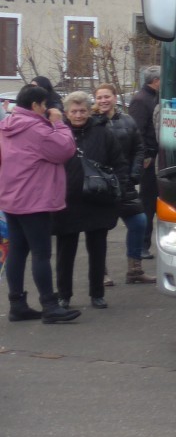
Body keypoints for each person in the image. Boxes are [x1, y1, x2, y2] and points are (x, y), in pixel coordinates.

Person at [0, 83, 80, 323]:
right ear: (35, 105)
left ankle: (17, 304)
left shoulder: (7, 126)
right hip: (34, 200)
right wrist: (59, 123)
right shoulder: (36, 129)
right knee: (41, 253)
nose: (47, 109)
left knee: (17, 251)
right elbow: (65, 150)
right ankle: (50, 306)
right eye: (45, 105)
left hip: (12, 198)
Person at [52, 92, 122, 309]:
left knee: (98, 250)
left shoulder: (103, 132)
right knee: (65, 252)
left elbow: (118, 162)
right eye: (74, 111)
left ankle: (97, 293)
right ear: (66, 113)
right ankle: (64, 295)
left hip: (98, 199)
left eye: (82, 110)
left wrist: (118, 189)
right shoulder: (57, 133)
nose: (79, 115)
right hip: (67, 200)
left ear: (89, 111)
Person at [93, 84, 153, 286]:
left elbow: (138, 148)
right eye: (99, 97)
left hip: (124, 183)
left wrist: (135, 173)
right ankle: (100, 273)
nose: (103, 100)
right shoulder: (91, 123)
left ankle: (135, 271)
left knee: (139, 222)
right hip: (99, 186)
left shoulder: (128, 121)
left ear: (114, 97)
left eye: (106, 96)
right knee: (99, 230)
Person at [127, 66, 160, 259]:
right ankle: (141, 246)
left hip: (155, 156)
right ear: (155, 81)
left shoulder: (153, 98)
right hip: (149, 160)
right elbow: (137, 131)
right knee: (147, 203)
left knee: (152, 203)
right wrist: (145, 156)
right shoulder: (140, 100)